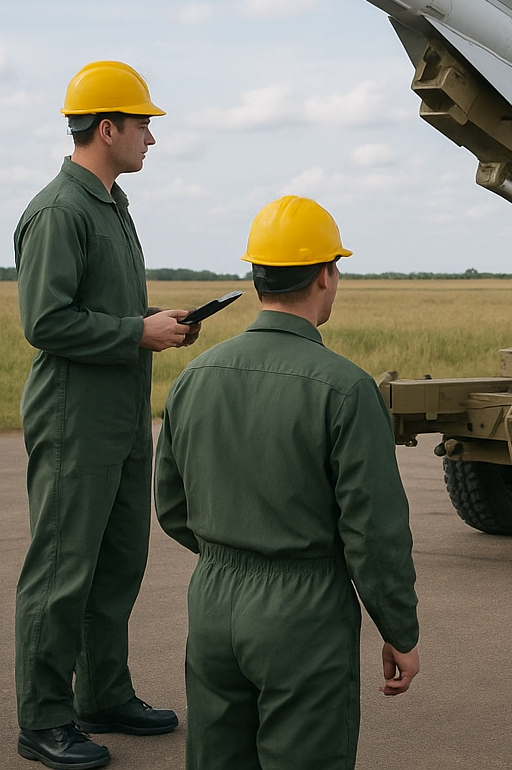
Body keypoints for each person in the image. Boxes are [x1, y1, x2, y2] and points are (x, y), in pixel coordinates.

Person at [154, 195, 420, 770]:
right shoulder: (346, 388)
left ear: (257, 277)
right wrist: (399, 628)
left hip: (212, 602)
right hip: (304, 613)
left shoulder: (194, 377)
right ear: (325, 275)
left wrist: (231, 553)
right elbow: (374, 531)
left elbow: (171, 505)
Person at [14, 61, 195, 770]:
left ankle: (102, 695)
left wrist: (152, 322)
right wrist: (133, 334)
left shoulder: (112, 205)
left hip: (121, 417)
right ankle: (43, 720)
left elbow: (99, 312)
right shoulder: (60, 211)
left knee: (117, 563)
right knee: (61, 572)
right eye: (143, 123)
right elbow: (47, 320)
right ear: (107, 127)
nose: (151, 137)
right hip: (74, 421)